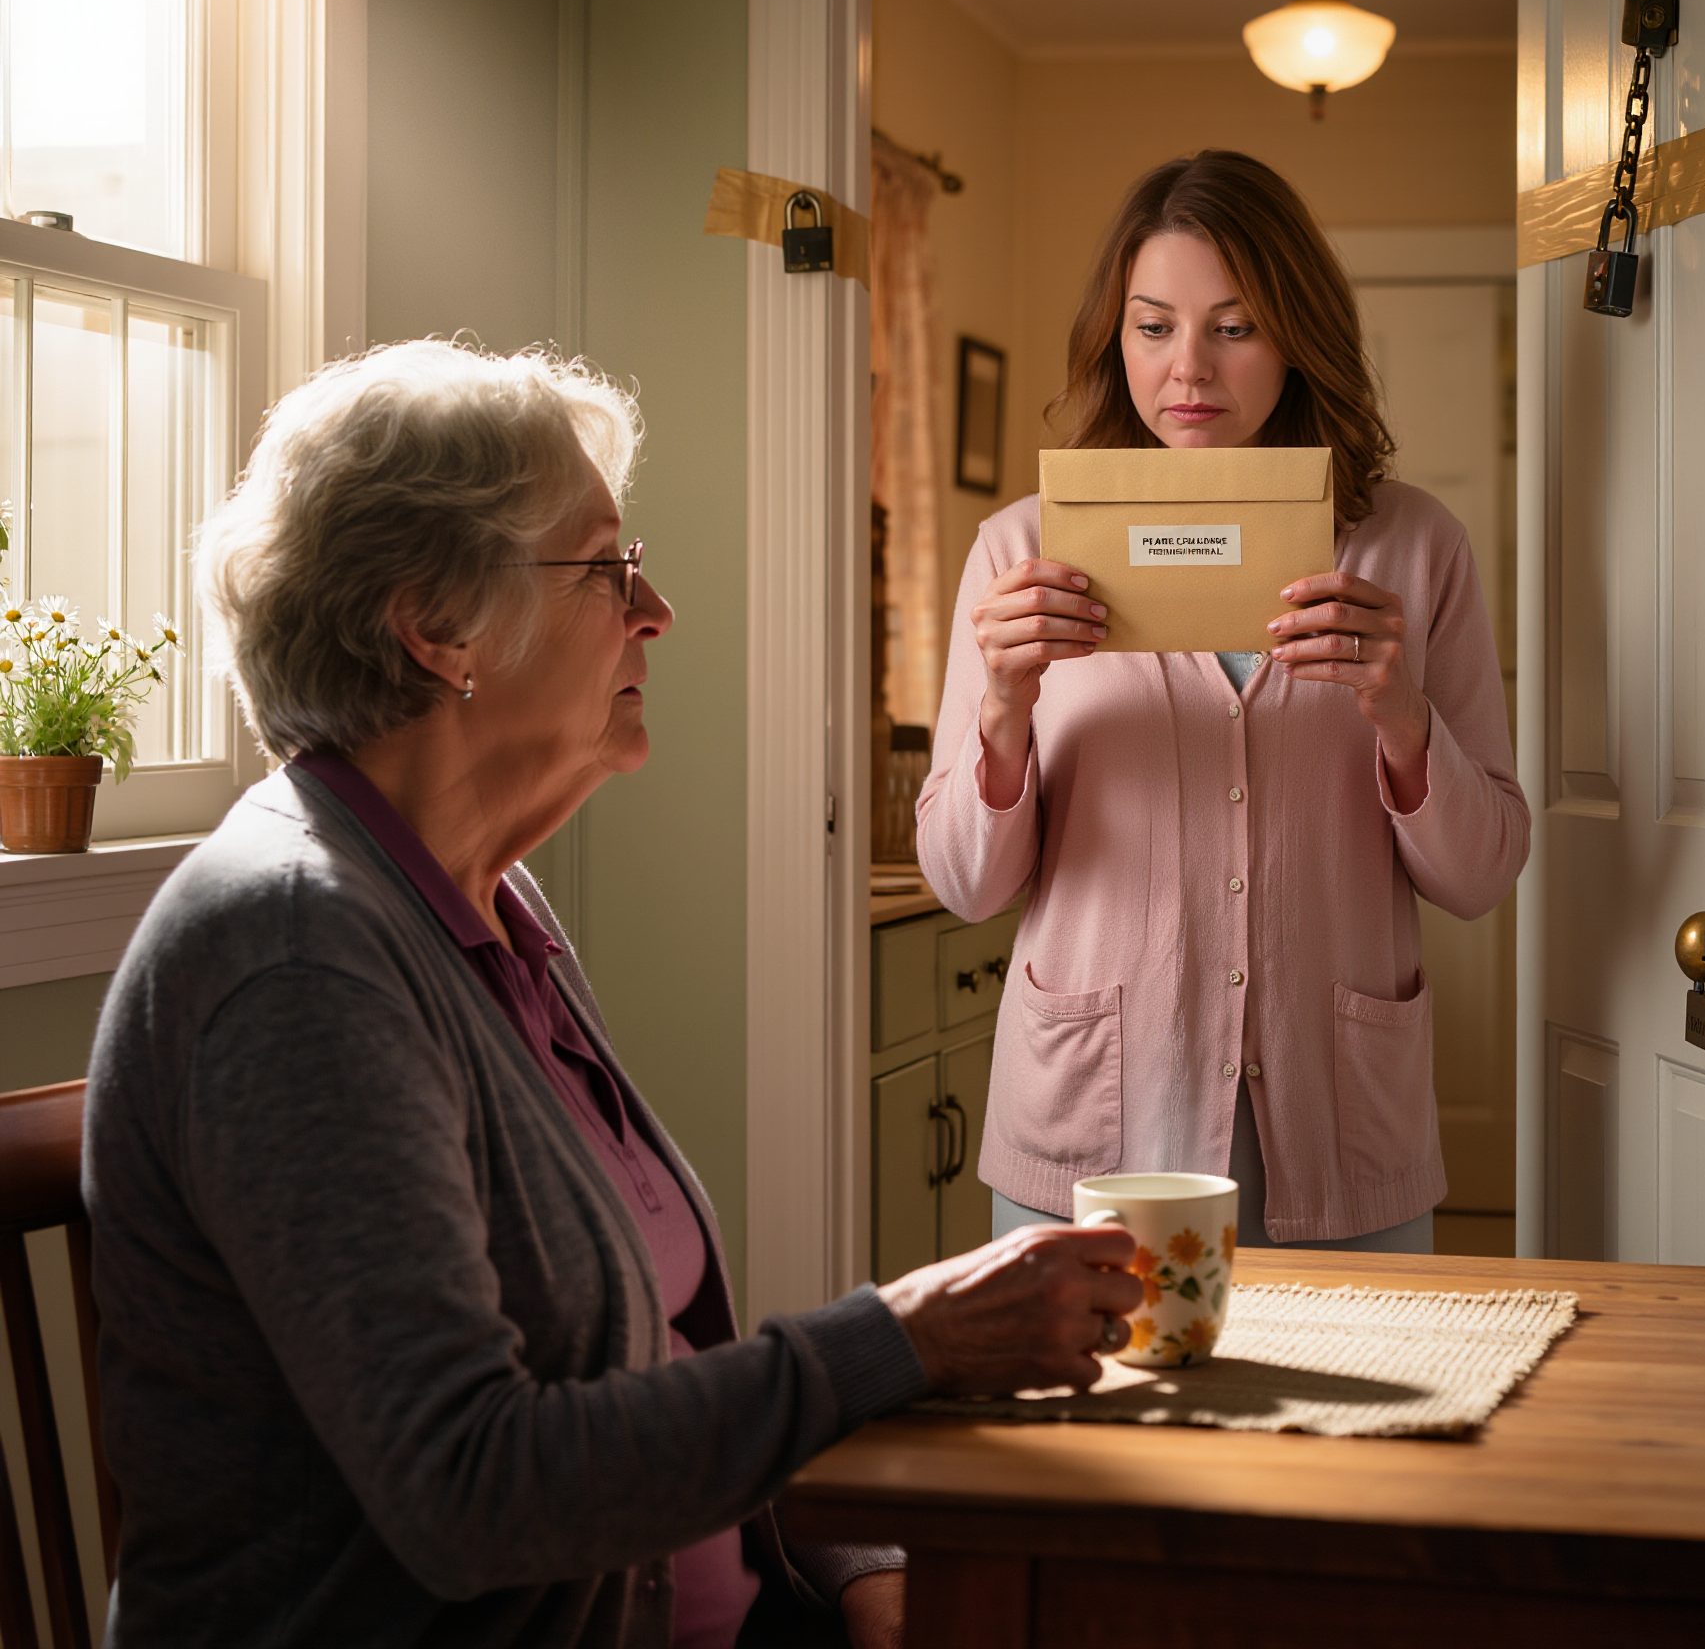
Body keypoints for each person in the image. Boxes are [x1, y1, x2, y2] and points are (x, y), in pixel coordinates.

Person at [83, 340, 1141, 1649]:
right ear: (436, 627)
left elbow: (657, 1376)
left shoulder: (491, 908)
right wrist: (905, 1339)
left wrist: (855, 1562)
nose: (657, 612)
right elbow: (475, 1488)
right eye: (605, 569)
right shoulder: (295, 955)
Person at [918, 151, 1529, 1253]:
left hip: (1338, 1123)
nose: (1186, 368)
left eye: (1233, 326)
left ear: (1295, 332)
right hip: (1094, 1131)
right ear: (1116, 337)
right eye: (1152, 326)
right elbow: (965, 882)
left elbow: (1480, 874)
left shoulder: (1412, 547)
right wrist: (1002, 708)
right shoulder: (1019, 551)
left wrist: (1400, 717)